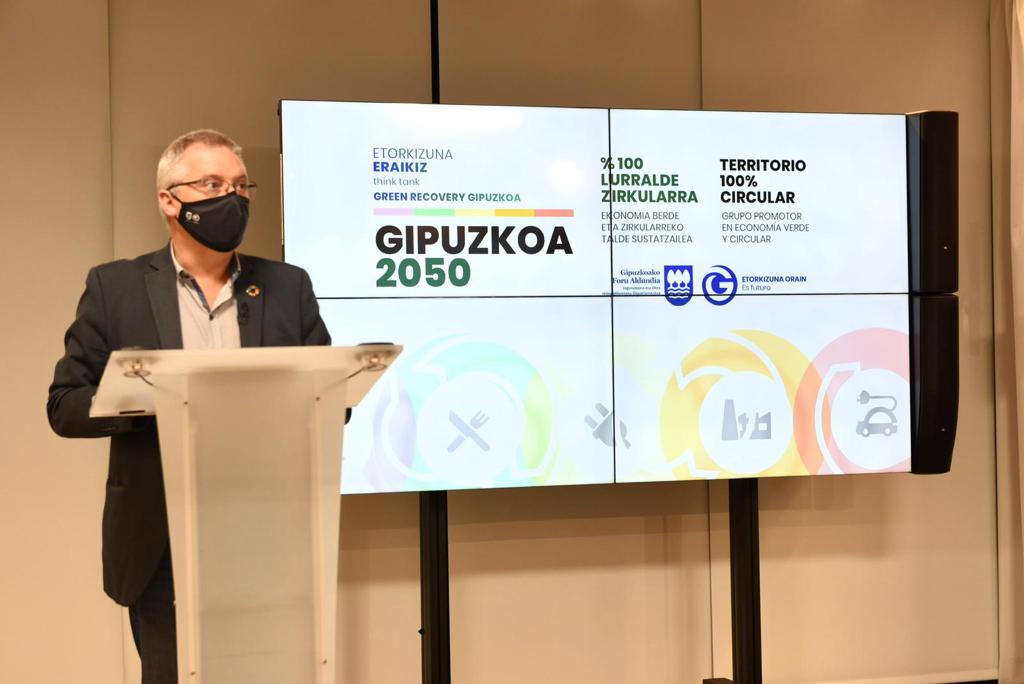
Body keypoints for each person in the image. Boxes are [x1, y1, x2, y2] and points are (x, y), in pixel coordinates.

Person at [47, 129, 330, 683]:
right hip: (161, 543)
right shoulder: (115, 288)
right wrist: (149, 399)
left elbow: (331, 399)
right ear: (169, 200)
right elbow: (66, 404)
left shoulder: (287, 286)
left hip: (266, 537)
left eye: (240, 186)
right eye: (212, 184)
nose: (233, 198)